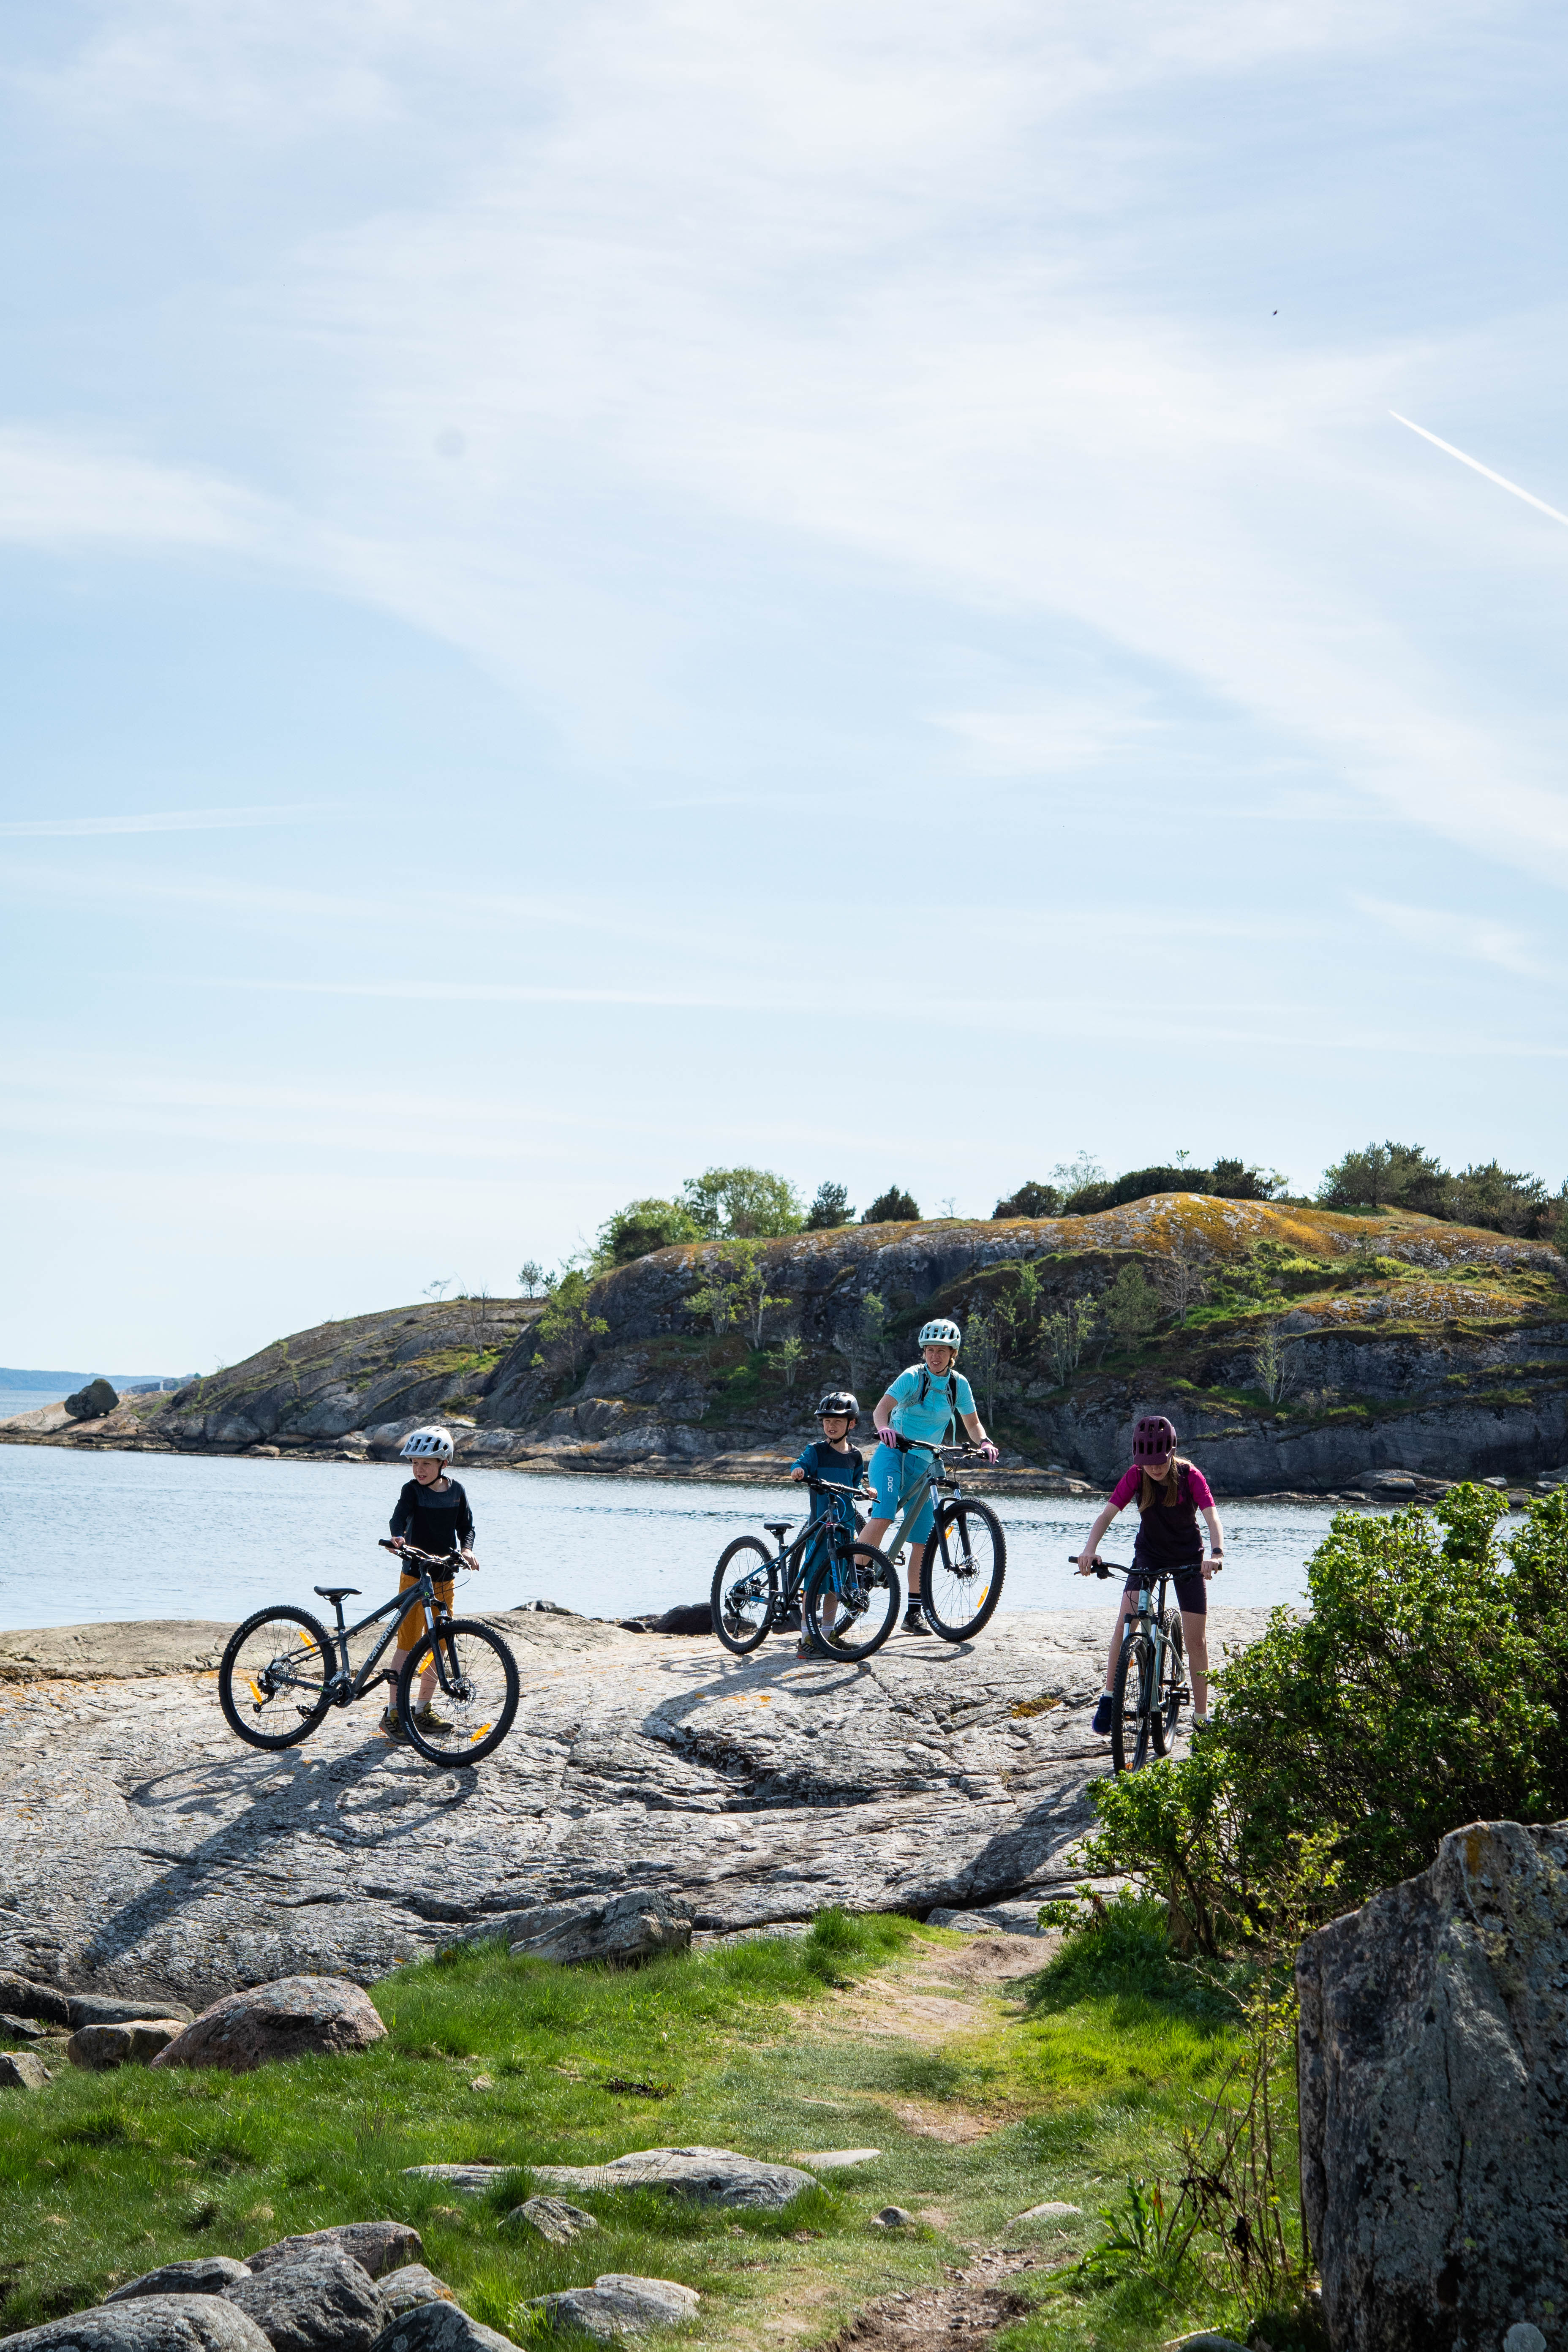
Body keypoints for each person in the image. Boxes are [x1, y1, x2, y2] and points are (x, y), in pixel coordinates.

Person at [1073, 1414, 1223, 1732]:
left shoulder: (1190, 1476)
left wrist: (1216, 1554)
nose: (1154, 1469)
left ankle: (1201, 1716)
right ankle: (1109, 1698)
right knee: (1126, 1623)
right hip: (1148, 1556)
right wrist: (1090, 1550)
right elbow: (1106, 1515)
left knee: (1196, 1641)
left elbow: (1212, 1518)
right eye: (1148, 1463)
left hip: (1189, 1559)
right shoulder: (1136, 1475)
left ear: (1172, 1452)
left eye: (1160, 1462)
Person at [862, 1319, 999, 1636]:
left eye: (942, 1351)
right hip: (894, 1454)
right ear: (924, 1352)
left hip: (926, 1462)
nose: (935, 1356)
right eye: (930, 1350)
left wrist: (985, 1442)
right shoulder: (913, 1377)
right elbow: (881, 1411)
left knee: (923, 1542)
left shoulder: (958, 1385)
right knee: (883, 1516)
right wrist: (884, 1429)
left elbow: (973, 1424)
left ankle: (914, 1613)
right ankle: (855, 1578)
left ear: (953, 1354)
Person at [381, 1425, 477, 1741]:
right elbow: (399, 1517)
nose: (419, 1470)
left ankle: (422, 1709)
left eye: (426, 1463)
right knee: (408, 1645)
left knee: (441, 1644)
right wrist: (397, 1537)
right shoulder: (412, 1490)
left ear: (443, 1464)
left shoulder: (457, 1491)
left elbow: (467, 1527)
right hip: (415, 1576)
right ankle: (393, 1714)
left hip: (445, 1577)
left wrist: (467, 1550)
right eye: (415, 1463)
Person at [789, 1388, 864, 1657]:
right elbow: (799, 1465)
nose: (831, 1426)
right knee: (814, 1584)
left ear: (851, 1424)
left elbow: (856, 1484)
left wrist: (867, 1490)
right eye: (827, 1421)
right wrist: (799, 1471)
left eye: (838, 1421)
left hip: (845, 1526)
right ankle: (807, 1639)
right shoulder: (816, 1451)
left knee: (836, 1583)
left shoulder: (855, 1455)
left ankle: (829, 1633)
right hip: (822, 1526)